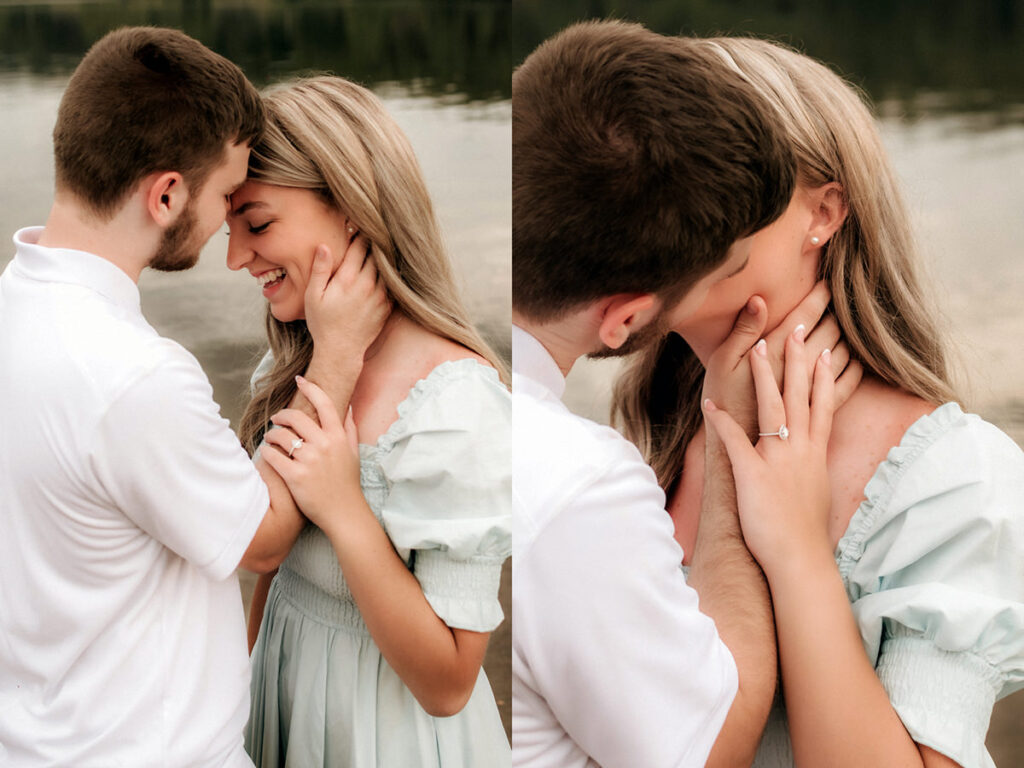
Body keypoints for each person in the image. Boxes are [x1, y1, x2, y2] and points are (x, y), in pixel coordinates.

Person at [613, 36, 1024, 768]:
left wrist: (799, 554)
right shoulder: (648, 438)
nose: (658, 212)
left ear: (823, 212)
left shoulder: (955, 476)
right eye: (648, 176)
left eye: (709, 172)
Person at [0, 27, 386, 766]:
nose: (227, 230)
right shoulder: (134, 376)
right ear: (167, 193)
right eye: (226, 195)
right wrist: (337, 356)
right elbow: (264, 537)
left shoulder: (14, 308)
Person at [511, 20, 862, 768]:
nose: (730, 274)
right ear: (629, 318)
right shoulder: (579, 482)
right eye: (721, 261)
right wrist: (735, 447)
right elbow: (707, 748)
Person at [229, 76, 512, 767]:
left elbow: (449, 683)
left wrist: (346, 509)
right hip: (283, 711)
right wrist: (237, 703)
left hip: (384, 741)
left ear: (352, 209)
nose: (236, 257)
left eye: (258, 224)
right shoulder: (293, 365)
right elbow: (274, 570)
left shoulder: (454, 405)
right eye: (229, 228)